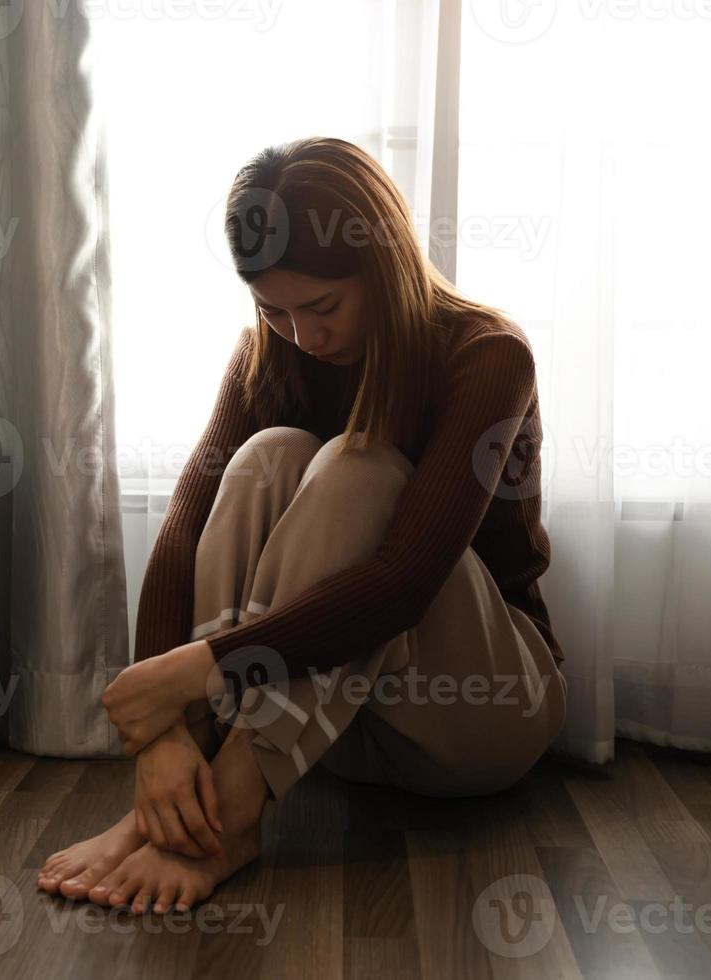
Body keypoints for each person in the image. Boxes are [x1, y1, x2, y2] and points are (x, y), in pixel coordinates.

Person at [37, 136, 567, 914]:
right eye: (272, 309)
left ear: (383, 268)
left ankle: (230, 814)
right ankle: (184, 805)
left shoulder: (486, 356)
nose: (302, 336)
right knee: (269, 455)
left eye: (322, 307)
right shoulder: (271, 356)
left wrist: (199, 665)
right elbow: (186, 527)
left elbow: (401, 584)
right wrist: (164, 739)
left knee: (361, 469)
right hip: (333, 731)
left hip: (477, 713)